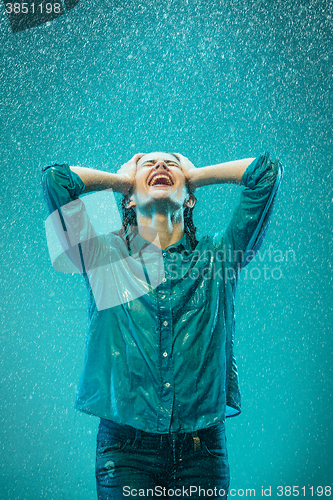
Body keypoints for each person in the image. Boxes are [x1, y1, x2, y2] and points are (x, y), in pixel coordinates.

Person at [41, 150, 284, 500]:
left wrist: (197, 174)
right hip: (126, 452)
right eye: (148, 165)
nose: (160, 166)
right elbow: (55, 182)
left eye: (171, 163)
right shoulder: (103, 258)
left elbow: (267, 174)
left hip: (203, 451)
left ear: (189, 199)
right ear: (127, 202)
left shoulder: (219, 256)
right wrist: (119, 180)